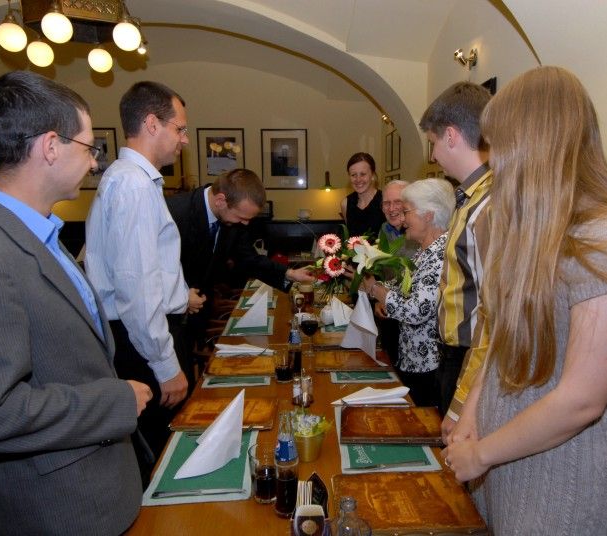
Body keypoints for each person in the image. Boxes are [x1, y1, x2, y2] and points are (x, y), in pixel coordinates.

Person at [441, 66, 607, 535]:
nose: (494, 160)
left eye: (500, 144)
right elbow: (502, 336)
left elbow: (581, 401)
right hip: (506, 473)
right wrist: (470, 414)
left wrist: (480, 453)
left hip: (568, 490)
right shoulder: (534, 234)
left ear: (537, 143)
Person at [0, 71, 150, 535]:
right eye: (89, 148)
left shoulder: (39, 230)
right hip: (60, 511)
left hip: (101, 490)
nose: (93, 164)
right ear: (51, 146)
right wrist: (115, 399)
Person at [85, 81, 203, 469]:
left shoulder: (132, 180)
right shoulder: (133, 185)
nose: (184, 140)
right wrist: (166, 366)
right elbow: (137, 291)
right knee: (162, 457)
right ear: (153, 124)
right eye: (180, 129)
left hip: (146, 335)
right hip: (144, 343)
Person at [166, 168, 314, 343]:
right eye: (241, 217)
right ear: (221, 200)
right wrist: (179, 294)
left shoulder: (233, 219)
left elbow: (249, 258)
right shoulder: (173, 211)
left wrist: (289, 273)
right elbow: (148, 268)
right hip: (166, 318)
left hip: (198, 313)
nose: (245, 223)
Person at [418, 82, 493, 419]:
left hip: (472, 358)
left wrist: (462, 403)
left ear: (450, 136)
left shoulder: (491, 203)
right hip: (454, 353)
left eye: (433, 143)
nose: (432, 155)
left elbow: (496, 316)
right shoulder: (468, 197)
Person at [360, 179, 454, 406]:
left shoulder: (439, 254)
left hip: (428, 365)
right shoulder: (426, 251)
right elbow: (405, 290)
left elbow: (416, 310)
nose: (403, 219)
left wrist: (375, 289)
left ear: (428, 215)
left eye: (407, 211)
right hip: (413, 359)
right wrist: (372, 286)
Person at [374, 179, 419, 367]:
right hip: (389, 318)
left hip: (414, 324)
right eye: (386, 203)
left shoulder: (419, 234)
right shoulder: (384, 229)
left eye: (397, 202)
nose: (391, 208)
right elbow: (385, 274)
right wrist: (380, 300)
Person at [340, 152, 385, 237]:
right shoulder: (345, 204)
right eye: (353, 175)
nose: (358, 179)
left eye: (363, 174)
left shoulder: (385, 200)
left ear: (372, 175)